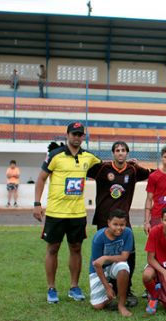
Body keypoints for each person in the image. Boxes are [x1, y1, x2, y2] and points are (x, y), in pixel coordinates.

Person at [33, 122, 101, 303]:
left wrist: (127, 163)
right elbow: (40, 179)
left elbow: (106, 168)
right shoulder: (55, 155)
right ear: (67, 135)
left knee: (76, 249)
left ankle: (74, 287)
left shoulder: (88, 157)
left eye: (80, 134)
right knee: (53, 249)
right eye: (74, 134)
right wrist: (37, 203)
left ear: (83, 136)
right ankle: (51, 288)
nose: (77, 137)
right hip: (56, 213)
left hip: (77, 214)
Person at [86, 141, 151, 307]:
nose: (120, 153)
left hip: (123, 221)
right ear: (113, 153)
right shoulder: (102, 169)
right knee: (104, 255)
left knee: (129, 255)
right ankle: (106, 288)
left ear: (127, 153)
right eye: (117, 150)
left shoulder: (133, 169)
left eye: (123, 150)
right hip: (104, 220)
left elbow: (154, 174)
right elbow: (80, 167)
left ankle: (125, 290)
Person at [88, 209, 133, 317]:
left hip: (115, 264)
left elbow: (124, 257)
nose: (119, 228)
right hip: (99, 269)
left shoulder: (128, 233)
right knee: (97, 306)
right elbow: (97, 264)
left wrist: (106, 257)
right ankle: (109, 288)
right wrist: (107, 287)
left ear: (125, 224)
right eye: (115, 224)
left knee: (123, 268)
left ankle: (121, 305)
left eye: (122, 225)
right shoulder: (99, 237)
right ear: (109, 223)